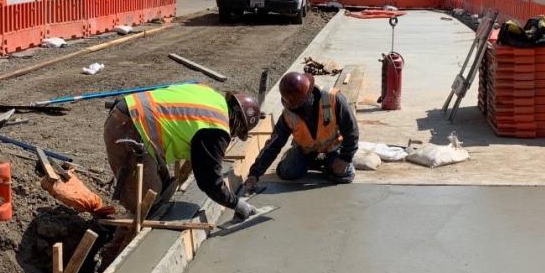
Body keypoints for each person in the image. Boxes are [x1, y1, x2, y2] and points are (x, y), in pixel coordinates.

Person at [104, 83, 263, 220]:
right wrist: (236, 203)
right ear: (238, 124)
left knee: (164, 187)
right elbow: (209, 180)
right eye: (236, 133)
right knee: (147, 205)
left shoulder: (211, 96)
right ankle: (117, 242)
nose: (232, 136)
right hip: (130, 128)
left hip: (133, 115)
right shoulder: (217, 128)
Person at [243, 72, 358, 192]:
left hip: (332, 148)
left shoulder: (333, 99)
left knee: (346, 175)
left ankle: (324, 163)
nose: (296, 110)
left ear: (308, 95)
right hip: (305, 151)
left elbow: (352, 130)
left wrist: (346, 157)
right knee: (287, 172)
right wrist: (254, 174)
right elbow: (273, 144)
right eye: (293, 107)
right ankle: (309, 161)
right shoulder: (288, 115)